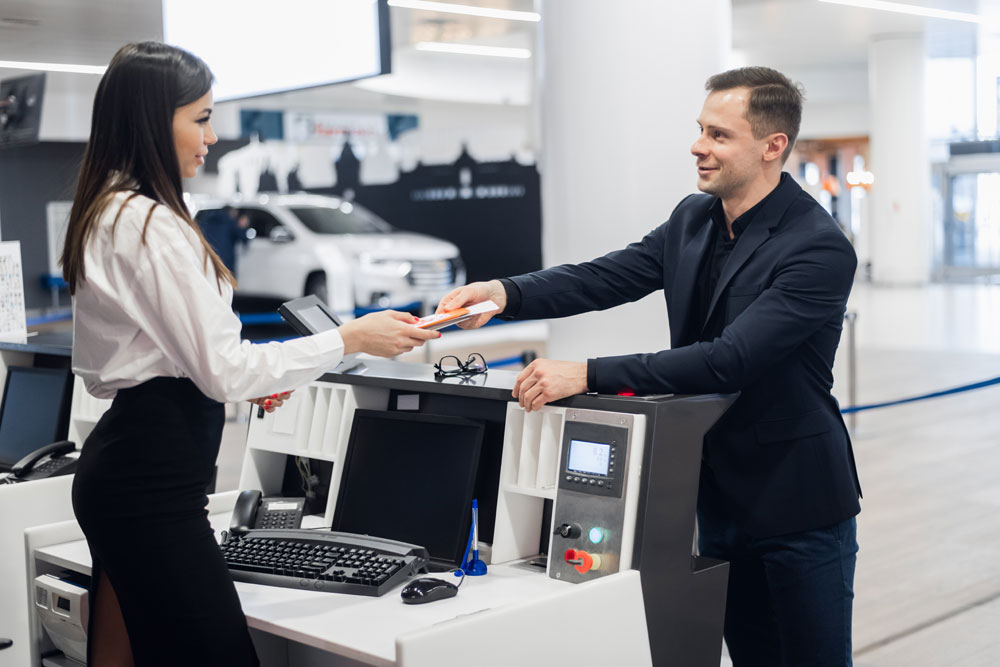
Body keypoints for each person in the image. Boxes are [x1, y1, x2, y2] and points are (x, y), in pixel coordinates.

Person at [438, 67, 861, 666]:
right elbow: (604, 276)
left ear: (773, 147)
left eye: (719, 135)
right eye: (700, 130)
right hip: (717, 494)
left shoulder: (817, 245)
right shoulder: (693, 219)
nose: (698, 146)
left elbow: (730, 360)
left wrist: (587, 374)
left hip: (798, 504)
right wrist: (505, 293)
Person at [59, 42, 438, 667]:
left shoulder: (113, 210)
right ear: (156, 120)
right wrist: (350, 338)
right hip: (149, 485)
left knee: (130, 645)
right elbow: (223, 368)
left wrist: (240, 377)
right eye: (201, 118)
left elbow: (181, 361)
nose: (214, 135)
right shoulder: (147, 224)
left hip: (133, 465)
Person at [197, 204, 249, 275]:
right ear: (231, 211)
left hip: (208, 262)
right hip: (226, 264)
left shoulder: (205, 221)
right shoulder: (230, 222)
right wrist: (243, 226)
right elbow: (244, 237)